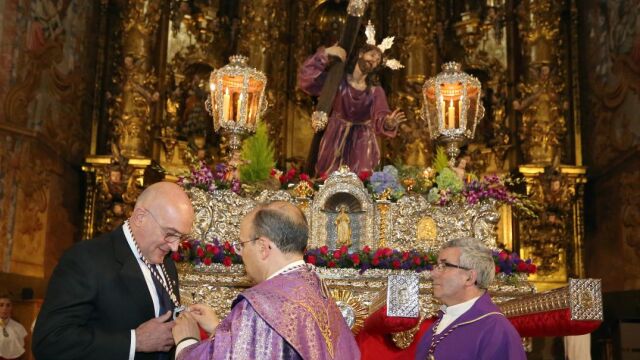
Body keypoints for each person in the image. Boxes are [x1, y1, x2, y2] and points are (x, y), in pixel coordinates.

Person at [172, 201, 360, 360]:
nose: (241, 254)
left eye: (242, 245)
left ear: (263, 247)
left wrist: (186, 342)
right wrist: (217, 328)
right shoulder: (317, 288)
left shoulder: (262, 305)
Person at [33, 182, 195, 360]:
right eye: (170, 233)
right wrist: (134, 341)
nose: (175, 247)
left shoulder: (167, 263)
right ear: (141, 217)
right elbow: (49, 342)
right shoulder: (86, 259)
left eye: (181, 237)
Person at [298, 21, 406, 176]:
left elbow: (380, 115)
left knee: (360, 184)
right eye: (372, 55)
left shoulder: (375, 91)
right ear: (361, 53)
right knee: (327, 181)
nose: (373, 61)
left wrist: (388, 123)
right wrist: (327, 52)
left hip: (362, 144)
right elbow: (307, 79)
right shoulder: (337, 80)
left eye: (377, 61)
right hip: (334, 139)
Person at [415, 238, 526, 360]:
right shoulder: (438, 325)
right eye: (436, 266)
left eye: (444, 265)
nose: (433, 274)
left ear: (469, 277)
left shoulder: (496, 331)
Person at [0, 295, 27, 360]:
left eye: (8, 305)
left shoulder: (19, 327)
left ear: (12, 307)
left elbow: (24, 348)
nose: (4, 308)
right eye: (1, 305)